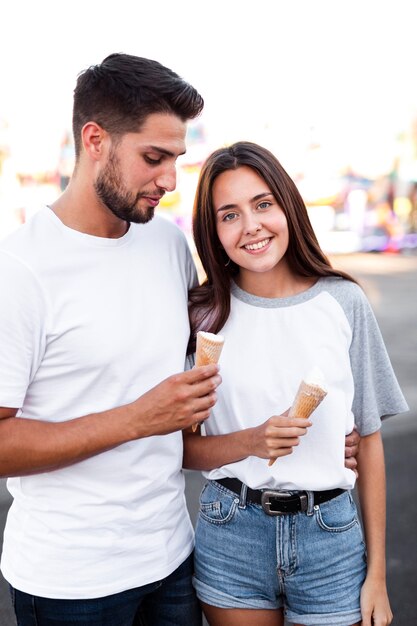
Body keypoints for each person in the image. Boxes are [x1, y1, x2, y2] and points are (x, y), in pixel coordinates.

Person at [0, 53, 222, 626]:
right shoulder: (20, 270)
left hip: (173, 558)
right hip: (70, 583)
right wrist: (138, 418)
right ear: (95, 139)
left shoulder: (168, 247)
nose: (170, 180)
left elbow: (194, 391)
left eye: (176, 159)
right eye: (154, 157)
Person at [184, 141, 409, 626]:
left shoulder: (344, 302)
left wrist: (377, 577)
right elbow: (182, 448)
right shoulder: (203, 316)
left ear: (287, 206)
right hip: (231, 532)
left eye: (263, 204)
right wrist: (250, 441)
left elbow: (368, 441)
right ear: (212, 230)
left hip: (330, 535)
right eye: (229, 214)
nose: (251, 226)